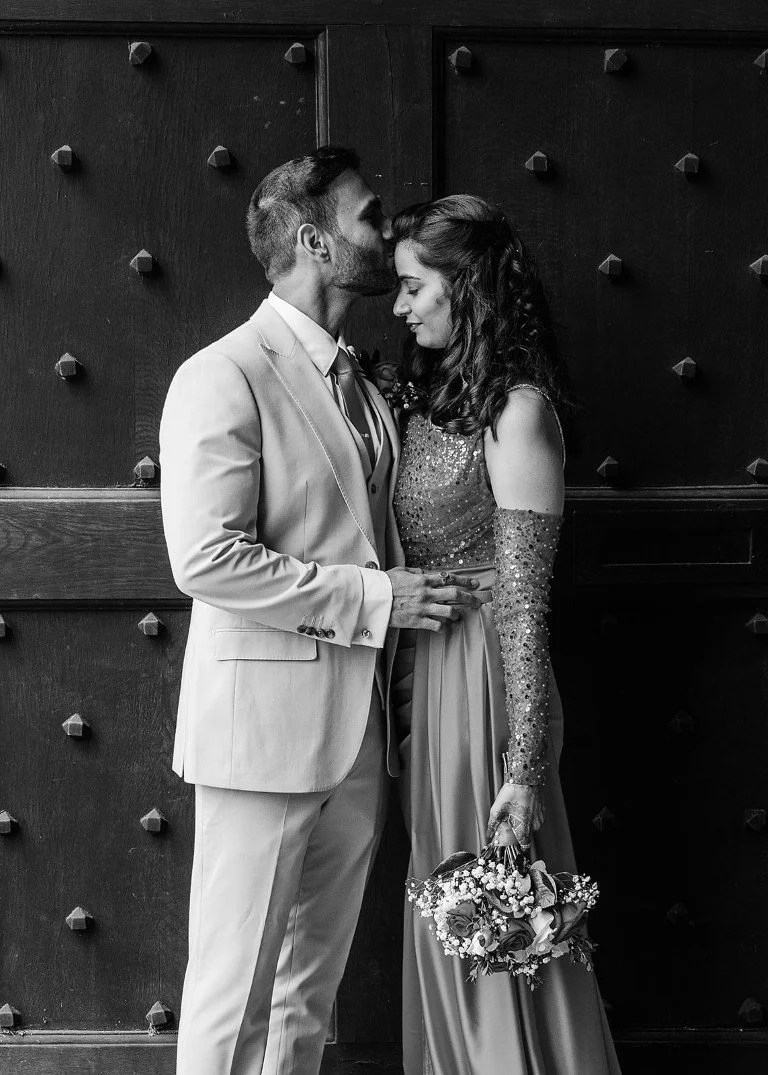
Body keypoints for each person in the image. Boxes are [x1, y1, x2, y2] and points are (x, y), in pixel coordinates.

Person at [158, 146, 479, 1075]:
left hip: (360, 736)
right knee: (233, 993)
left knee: (311, 995)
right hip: (260, 737)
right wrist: (378, 601)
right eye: (369, 217)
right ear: (315, 240)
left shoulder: (366, 381)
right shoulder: (222, 373)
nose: (387, 231)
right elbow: (207, 558)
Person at [389, 195, 622, 1074]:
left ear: (468, 284)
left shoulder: (517, 413)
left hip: (493, 686)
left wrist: (523, 769)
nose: (403, 306)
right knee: (455, 918)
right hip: (434, 676)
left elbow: (525, 604)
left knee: (506, 920)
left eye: (415, 287)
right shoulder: (436, 398)